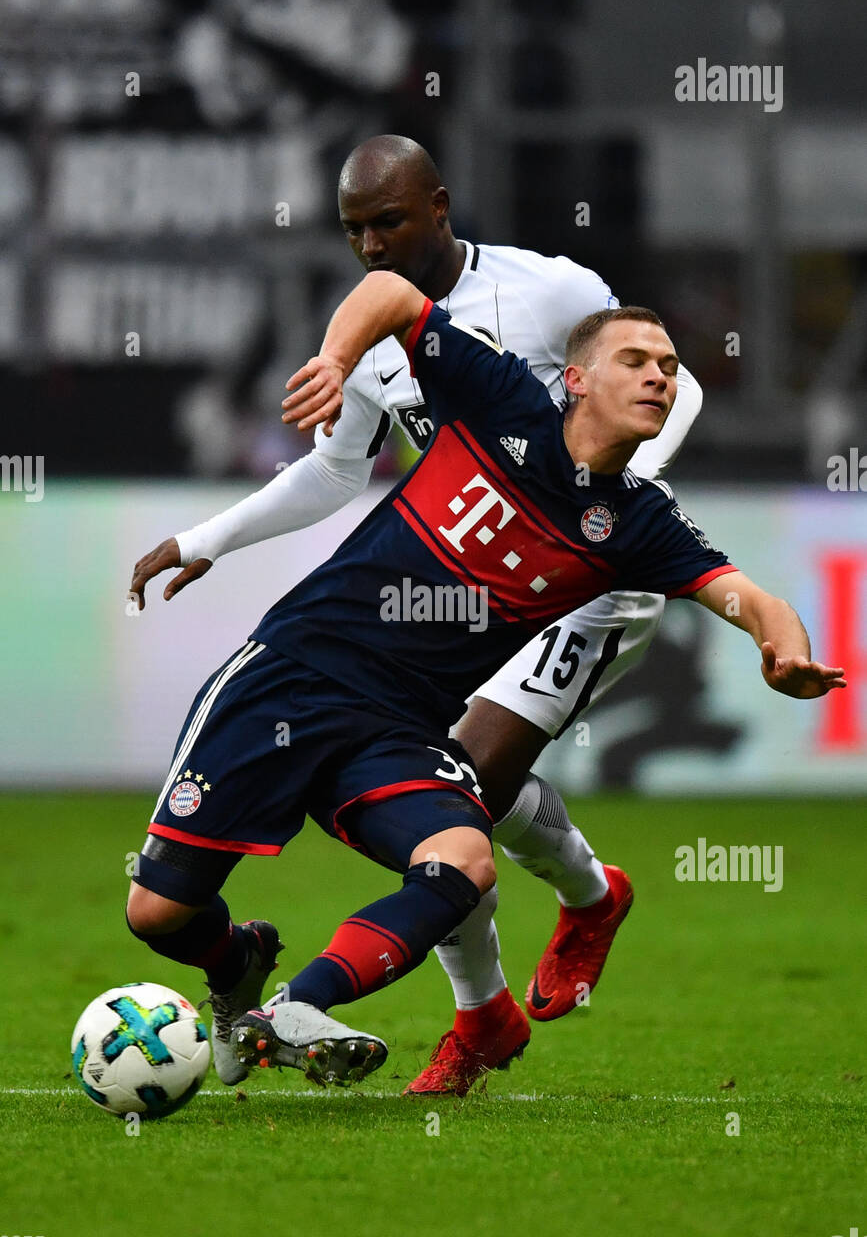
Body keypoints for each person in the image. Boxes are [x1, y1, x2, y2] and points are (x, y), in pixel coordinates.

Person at [127, 270, 845, 1091]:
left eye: (670, 366)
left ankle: (296, 1007)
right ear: (576, 379)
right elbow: (391, 292)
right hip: (291, 676)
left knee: (464, 861)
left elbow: (754, 598)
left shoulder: (639, 523)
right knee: (158, 913)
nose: (659, 376)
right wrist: (335, 358)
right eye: (636, 359)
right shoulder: (498, 395)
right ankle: (238, 958)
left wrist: (782, 651)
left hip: (394, 728)